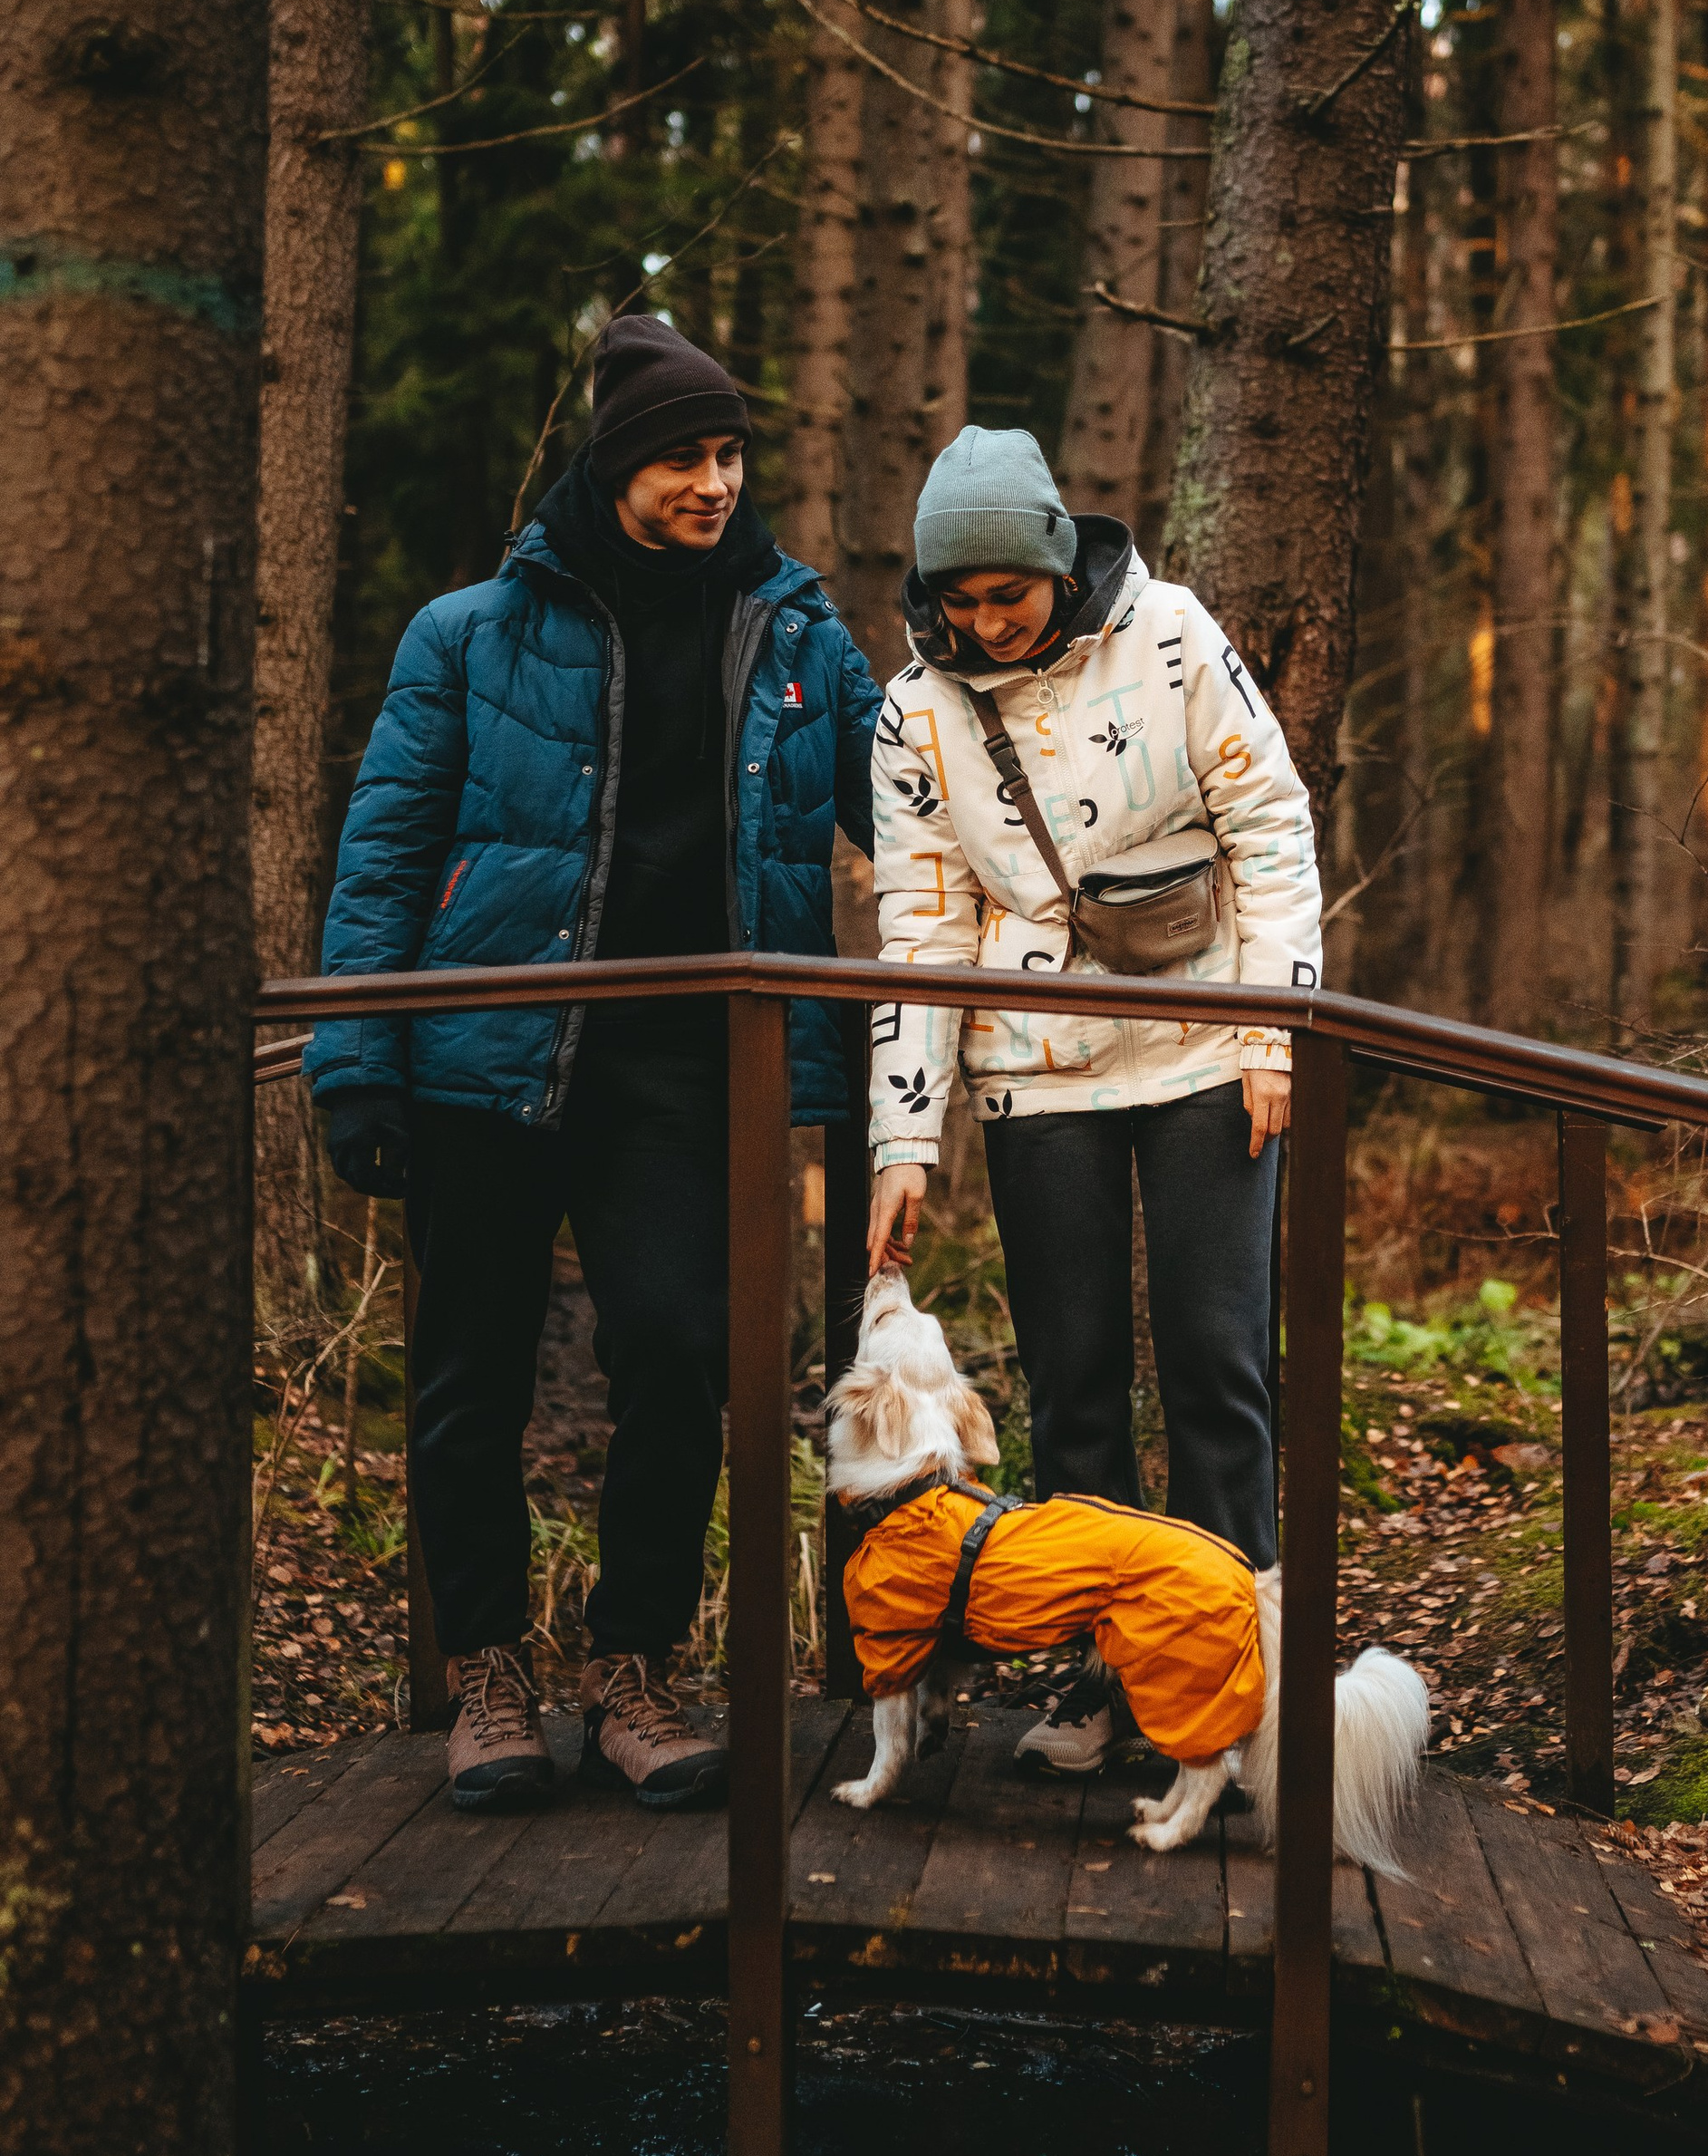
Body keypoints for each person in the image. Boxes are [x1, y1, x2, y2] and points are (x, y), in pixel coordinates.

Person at [306, 314, 883, 1814]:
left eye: (732, 452)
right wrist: (354, 1061)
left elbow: (923, 812)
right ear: (618, 464)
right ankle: (488, 1675)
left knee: (685, 1352)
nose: (715, 480)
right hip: (484, 1053)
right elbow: (384, 857)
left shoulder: (801, 637)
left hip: (689, 1069)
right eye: (687, 454)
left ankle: (633, 1668)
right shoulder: (469, 633)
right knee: (470, 1376)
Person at [864, 424, 1324, 1773]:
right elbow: (922, 930)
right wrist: (906, 1136)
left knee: (1216, 1364)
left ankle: (1237, 1686)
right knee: (1071, 1384)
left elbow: (1273, 827)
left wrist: (1272, 1036)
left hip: (1205, 1044)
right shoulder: (914, 715)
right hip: (1033, 1067)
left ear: (1059, 565)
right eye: (963, 599)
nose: (988, 621)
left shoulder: (1175, 636)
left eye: (1011, 593)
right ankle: (1105, 1678)